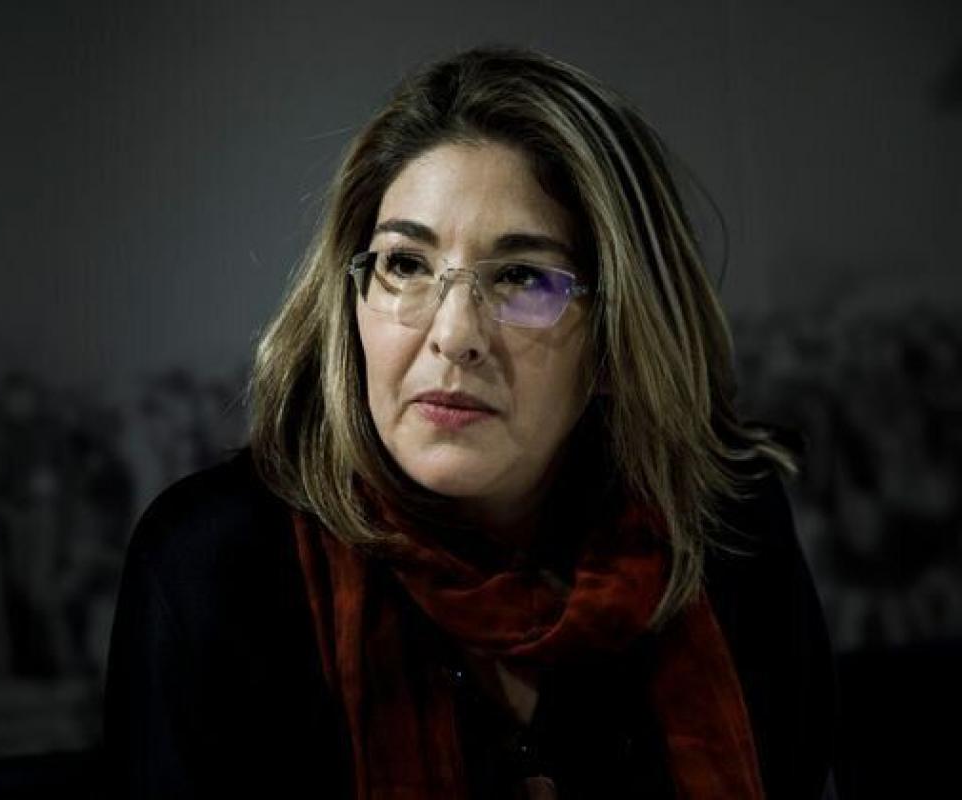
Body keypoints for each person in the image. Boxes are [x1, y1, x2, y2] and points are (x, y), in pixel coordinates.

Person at [104, 47, 836, 799]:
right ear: (351, 298)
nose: (454, 335)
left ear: (619, 333)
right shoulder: (213, 567)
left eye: (521, 276)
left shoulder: (726, 533)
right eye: (405, 265)